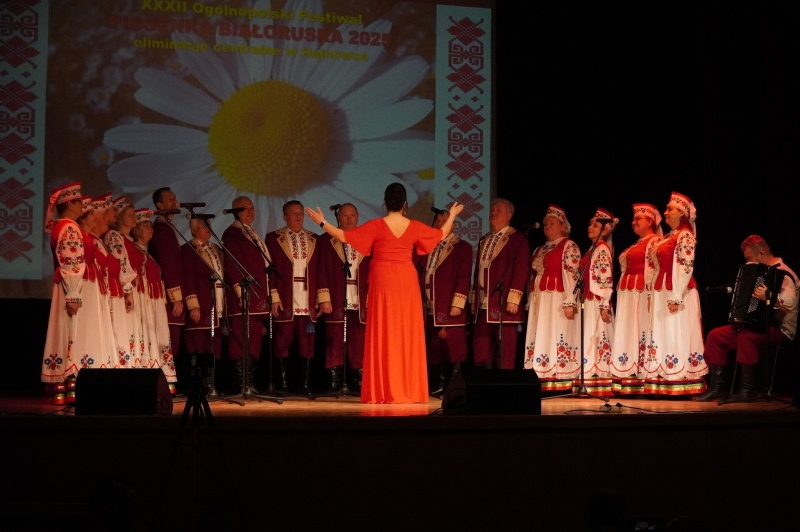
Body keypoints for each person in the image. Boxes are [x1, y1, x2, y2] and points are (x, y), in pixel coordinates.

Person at [305, 183, 463, 403]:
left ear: (384, 202)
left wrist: (322, 221)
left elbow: (344, 236)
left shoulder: (377, 225)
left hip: (383, 279)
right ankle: (408, 389)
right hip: (406, 280)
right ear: (405, 204)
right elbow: (441, 233)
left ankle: (384, 389)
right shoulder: (413, 225)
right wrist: (453, 214)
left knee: (384, 332)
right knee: (406, 333)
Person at [695, 235, 798, 403]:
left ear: (762, 253)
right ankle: (718, 388)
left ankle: (748, 390)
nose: (748, 262)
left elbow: (791, 304)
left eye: (750, 258)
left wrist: (769, 296)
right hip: (756, 326)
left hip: (781, 328)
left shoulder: (784, 273)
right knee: (715, 335)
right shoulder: (759, 273)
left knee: (746, 337)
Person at [41, 183, 115, 404]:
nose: (83, 205)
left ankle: (67, 384)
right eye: (80, 202)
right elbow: (70, 261)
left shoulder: (65, 226)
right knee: (72, 331)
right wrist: (73, 294)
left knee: (71, 331)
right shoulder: (69, 228)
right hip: (73, 287)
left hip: (75, 286)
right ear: (71, 204)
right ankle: (70, 381)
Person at [643, 191, 707, 396]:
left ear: (682, 213)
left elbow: (685, 265)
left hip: (677, 291)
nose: (666, 212)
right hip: (663, 290)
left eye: (670, 209)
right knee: (664, 331)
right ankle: (663, 379)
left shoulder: (685, 236)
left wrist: (677, 294)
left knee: (675, 330)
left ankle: (680, 379)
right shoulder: (668, 237)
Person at [523, 205, 582, 391]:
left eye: (552, 223)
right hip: (540, 298)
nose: (547, 226)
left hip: (557, 298)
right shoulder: (539, 248)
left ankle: (560, 378)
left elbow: (572, 275)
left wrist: (570, 301)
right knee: (540, 333)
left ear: (562, 226)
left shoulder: (568, 245)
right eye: (546, 223)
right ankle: (540, 374)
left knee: (556, 333)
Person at [316, 203, 370, 393]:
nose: (348, 219)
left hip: (360, 297)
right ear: (338, 218)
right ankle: (334, 381)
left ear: (358, 217)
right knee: (334, 339)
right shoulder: (326, 240)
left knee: (359, 340)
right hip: (337, 296)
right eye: (344, 215)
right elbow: (321, 269)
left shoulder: (368, 240)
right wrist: (324, 298)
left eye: (352, 215)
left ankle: (358, 382)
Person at [419, 206, 473, 397]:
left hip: (450, 306)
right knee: (435, 348)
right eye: (437, 222)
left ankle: (454, 386)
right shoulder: (427, 248)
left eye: (444, 222)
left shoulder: (462, 247)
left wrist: (458, 303)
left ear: (453, 224)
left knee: (454, 347)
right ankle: (440, 384)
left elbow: (464, 277)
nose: (440, 225)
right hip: (430, 305)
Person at [471, 198, 530, 370]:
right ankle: (487, 380)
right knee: (481, 342)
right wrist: (474, 298)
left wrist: (513, 299)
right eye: (492, 210)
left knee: (506, 346)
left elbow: (521, 269)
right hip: (484, 299)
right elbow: (479, 271)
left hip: (504, 301)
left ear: (509, 215)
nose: (493, 212)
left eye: (498, 210)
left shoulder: (517, 239)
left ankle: (504, 383)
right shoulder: (485, 239)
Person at [610, 203, 663, 394]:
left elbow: (654, 268)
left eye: (638, 219)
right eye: (633, 219)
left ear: (650, 221)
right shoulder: (637, 243)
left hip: (641, 292)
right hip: (628, 293)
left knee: (640, 328)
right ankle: (628, 373)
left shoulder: (655, 241)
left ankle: (641, 375)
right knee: (628, 329)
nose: (633, 222)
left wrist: (650, 293)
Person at [221, 196, 270, 395]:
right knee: (241, 340)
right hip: (243, 297)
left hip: (257, 297)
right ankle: (240, 384)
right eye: (245, 209)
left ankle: (249, 383)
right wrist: (241, 294)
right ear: (235, 211)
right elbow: (233, 267)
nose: (251, 212)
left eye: (252, 208)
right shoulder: (232, 234)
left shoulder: (251, 233)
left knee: (254, 341)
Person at [131, 208, 177, 385]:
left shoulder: (148, 254)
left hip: (154, 303)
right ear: (136, 230)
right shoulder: (135, 252)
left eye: (151, 225)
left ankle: (161, 376)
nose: (150, 229)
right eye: (145, 226)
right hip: (144, 303)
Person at [181, 215, 226, 397]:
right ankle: (196, 386)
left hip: (219, 301)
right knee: (197, 344)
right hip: (202, 301)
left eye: (208, 224)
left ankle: (211, 385)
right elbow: (188, 277)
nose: (208, 227)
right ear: (193, 230)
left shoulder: (216, 249)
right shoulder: (188, 249)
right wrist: (193, 305)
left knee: (213, 345)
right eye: (202, 225)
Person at [575, 208, 617, 396]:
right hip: (588, 299)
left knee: (597, 337)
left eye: (595, 225)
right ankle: (590, 379)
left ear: (605, 230)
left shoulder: (602, 249)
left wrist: (604, 303)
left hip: (597, 300)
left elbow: (606, 277)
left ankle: (599, 381)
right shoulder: (592, 249)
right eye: (590, 224)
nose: (589, 227)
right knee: (589, 338)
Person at [148, 187, 186, 390]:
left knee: (174, 343)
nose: (175, 201)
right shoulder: (162, 230)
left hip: (171, 295)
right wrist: (176, 297)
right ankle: (164, 387)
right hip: (168, 297)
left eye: (175, 197)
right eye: (170, 199)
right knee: (170, 342)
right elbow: (168, 265)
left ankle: (167, 386)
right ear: (159, 206)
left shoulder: (168, 227)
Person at [103, 199, 145, 369]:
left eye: (134, 215)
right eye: (129, 215)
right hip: (122, 289)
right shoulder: (114, 237)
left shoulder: (129, 240)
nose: (134, 218)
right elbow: (120, 265)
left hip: (133, 288)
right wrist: (127, 289)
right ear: (119, 218)